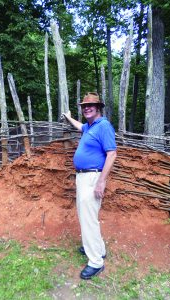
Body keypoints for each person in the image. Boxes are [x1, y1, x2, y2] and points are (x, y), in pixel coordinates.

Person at [63, 92, 117, 280]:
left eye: (90, 105)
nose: (86, 108)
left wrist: (101, 181)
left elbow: (112, 154)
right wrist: (69, 118)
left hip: (93, 177)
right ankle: (98, 249)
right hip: (83, 177)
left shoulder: (104, 126)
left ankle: (96, 262)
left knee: (88, 218)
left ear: (99, 107)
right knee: (88, 216)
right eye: (84, 106)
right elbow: (80, 126)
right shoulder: (90, 127)